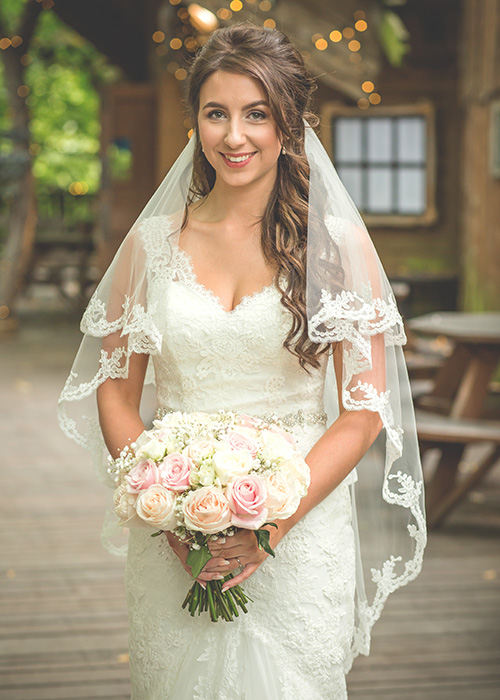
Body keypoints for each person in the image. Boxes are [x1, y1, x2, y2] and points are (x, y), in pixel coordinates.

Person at [58, 24, 426, 700]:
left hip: (300, 526)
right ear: (195, 122)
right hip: (174, 531)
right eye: (216, 113)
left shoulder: (339, 249)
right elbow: (115, 395)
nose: (235, 135)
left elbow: (364, 412)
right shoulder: (150, 246)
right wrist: (167, 507)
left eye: (257, 113)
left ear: (289, 125)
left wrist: (272, 526)